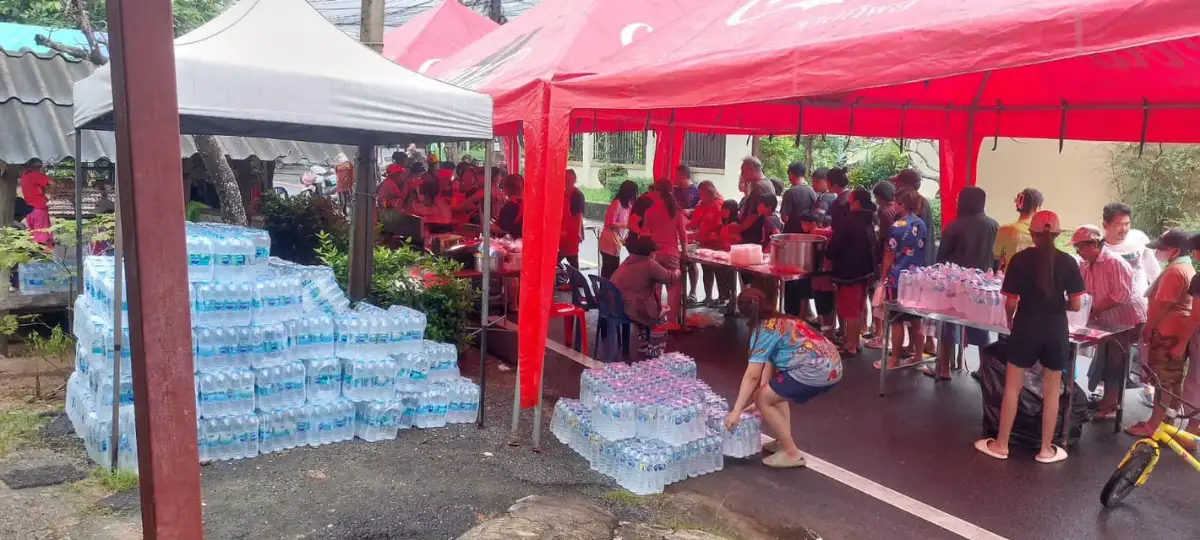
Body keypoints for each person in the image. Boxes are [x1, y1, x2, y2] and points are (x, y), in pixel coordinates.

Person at [976, 211, 1084, 464]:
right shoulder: (1068, 262)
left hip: (1026, 325)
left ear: (1033, 235)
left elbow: (1010, 302)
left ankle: (1002, 444)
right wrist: (1056, 304)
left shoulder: (1020, 260)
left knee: (1013, 388)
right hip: (1056, 328)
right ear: (1057, 234)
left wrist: (1011, 321)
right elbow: (1077, 305)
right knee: (1052, 390)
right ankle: (1046, 449)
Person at [723, 288, 842, 469]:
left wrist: (737, 410)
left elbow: (752, 374)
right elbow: (769, 363)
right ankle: (782, 438)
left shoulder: (762, 332)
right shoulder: (784, 319)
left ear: (744, 313)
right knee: (771, 394)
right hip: (833, 365)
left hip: (817, 371)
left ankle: (791, 453)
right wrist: (764, 394)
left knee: (763, 397)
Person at [1069, 224, 1146, 418]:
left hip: (1126, 319)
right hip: (1105, 320)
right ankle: (1107, 401)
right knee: (1106, 359)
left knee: (1115, 362)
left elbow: (1122, 295)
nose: (1078, 251)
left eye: (1080, 247)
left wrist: (1094, 309)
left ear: (1094, 244)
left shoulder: (1114, 262)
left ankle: (1112, 406)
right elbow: (1083, 290)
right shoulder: (1084, 263)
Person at [1125, 230, 1196, 438]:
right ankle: (1168, 422)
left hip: (1166, 333)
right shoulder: (1185, 267)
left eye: (1161, 249)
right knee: (1173, 380)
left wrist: (1147, 330)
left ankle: (1153, 426)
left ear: (1174, 251)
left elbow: (1160, 306)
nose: (1157, 252)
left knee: (1162, 381)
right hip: (1176, 332)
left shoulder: (1175, 272)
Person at [926, 187, 999, 379]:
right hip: (982, 284)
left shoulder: (955, 226)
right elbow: (997, 257)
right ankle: (985, 369)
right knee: (980, 326)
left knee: (948, 323)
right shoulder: (993, 225)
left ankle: (944, 369)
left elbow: (942, 257)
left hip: (955, 283)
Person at [878, 190, 930, 370]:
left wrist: (882, 277)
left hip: (897, 277)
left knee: (896, 319)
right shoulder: (921, 224)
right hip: (916, 277)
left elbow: (888, 256)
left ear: (901, 204)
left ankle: (894, 360)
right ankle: (917, 356)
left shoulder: (896, 226)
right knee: (916, 319)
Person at [825, 189, 878, 356]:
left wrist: (828, 258)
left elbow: (835, 245)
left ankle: (850, 345)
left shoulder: (848, 222)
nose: (849, 202)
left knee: (849, 310)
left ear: (857, 203)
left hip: (849, 272)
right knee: (859, 307)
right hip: (866, 271)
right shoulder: (869, 221)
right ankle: (855, 342)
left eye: (852, 200)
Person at [610, 236, 679, 358]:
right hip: (631, 307)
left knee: (648, 308)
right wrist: (678, 270)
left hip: (616, 304)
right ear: (650, 252)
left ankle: (644, 345)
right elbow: (670, 279)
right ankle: (655, 351)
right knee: (660, 316)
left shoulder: (629, 259)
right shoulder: (649, 264)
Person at [640, 179, 689, 331]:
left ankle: (656, 317)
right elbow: (683, 235)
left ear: (658, 192)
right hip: (672, 254)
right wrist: (685, 253)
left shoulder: (650, 211)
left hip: (655, 254)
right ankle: (672, 321)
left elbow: (645, 235)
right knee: (673, 288)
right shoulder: (676, 211)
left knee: (655, 287)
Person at [780, 161, 819, 320]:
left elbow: (785, 217)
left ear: (791, 174)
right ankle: (806, 311)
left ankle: (792, 313)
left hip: (791, 241)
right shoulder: (812, 191)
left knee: (790, 277)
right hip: (808, 241)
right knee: (804, 277)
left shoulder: (790, 193)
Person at [867, 181, 903, 349]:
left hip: (886, 260)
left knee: (879, 297)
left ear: (880, 197)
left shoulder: (886, 213)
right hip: (900, 262)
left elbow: (884, 240)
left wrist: (881, 264)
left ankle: (880, 335)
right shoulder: (897, 211)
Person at [1101, 202, 1161, 298]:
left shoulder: (1138, 237)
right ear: (1105, 225)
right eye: (1118, 224)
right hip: (1113, 307)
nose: (1124, 229)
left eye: (1127, 224)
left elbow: (1153, 269)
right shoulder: (1099, 249)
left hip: (1141, 303)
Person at [994, 188, 1043, 272]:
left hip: (1010, 278)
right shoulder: (1042, 232)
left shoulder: (1004, 229)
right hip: (1035, 279)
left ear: (1018, 204)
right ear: (1037, 208)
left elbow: (997, 255)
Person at [892, 169, 935, 266]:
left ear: (903, 184)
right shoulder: (923, 202)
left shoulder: (909, 204)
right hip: (922, 260)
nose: (895, 186)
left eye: (897, 183)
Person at [673, 165, 702, 305]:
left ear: (684, 176)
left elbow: (702, 208)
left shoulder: (697, 191)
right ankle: (680, 292)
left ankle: (693, 292)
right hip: (676, 231)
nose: (675, 178)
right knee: (679, 263)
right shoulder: (674, 190)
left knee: (691, 263)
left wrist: (689, 211)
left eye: (677, 175)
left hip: (691, 232)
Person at [599, 180, 638, 279]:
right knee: (609, 270)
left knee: (614, 269)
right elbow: (609, 223)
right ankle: (605, 291)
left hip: (616, 242)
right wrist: (625, 225)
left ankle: (608, 291)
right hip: (609, 241)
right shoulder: (617, 203)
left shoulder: (629, 205)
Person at [19, 159, 53, 246]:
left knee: (33, 234)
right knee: (42, 235)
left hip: (29, 210)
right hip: (39, 209)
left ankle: (35, 253)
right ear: (38, 167)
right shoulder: (36, 175)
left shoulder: (24, 175)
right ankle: (43, 256)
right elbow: (52, 183)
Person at [559, 170, 586, 269]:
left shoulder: (578, 195)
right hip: (562, 232)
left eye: (571, 179)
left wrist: (578, 233)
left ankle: (576, 281)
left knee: (573, 260)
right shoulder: (562, 193)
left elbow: (579, 215)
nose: (568, 181)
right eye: (566, 179)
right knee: (556, 258)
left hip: (572, 233)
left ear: (575, 180)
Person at [737, 157, 775, 224]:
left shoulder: (759, 187)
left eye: (743, 171)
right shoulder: (764, 183)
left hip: (755, 231)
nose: (742, 175)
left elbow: (754, 215)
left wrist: (739, 228)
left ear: (750, 170)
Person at [495, 174, 524, 239]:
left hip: (511, 243)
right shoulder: (526, 203)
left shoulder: (510, 206)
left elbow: (504, 229)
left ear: (505, 189)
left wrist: (489, 227)